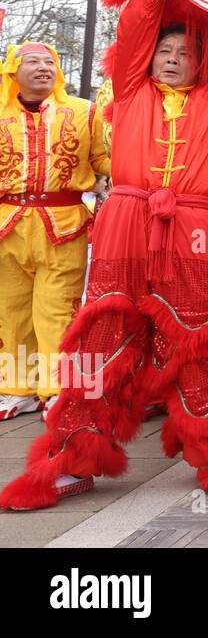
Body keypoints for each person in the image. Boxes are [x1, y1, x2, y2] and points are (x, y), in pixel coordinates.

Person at [1, 0, 208, 509]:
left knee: (199, 335)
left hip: (198, 222)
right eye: (166, 51)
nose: (173, 60)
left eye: (186, 54)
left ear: (204, 63)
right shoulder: (131, 88)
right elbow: (135, 29)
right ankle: (73, 459)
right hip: (126, 215)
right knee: (103, 335)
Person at [0, 43, 108, 421]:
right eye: (33, 62)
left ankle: (58, 389)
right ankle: (17, 388)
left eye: (50, 62)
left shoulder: (84, 111)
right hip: (7, 224)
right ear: (13, 71)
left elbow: (103, 159)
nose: (43, 68)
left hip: (63, 222)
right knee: (10, 312)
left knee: (57, 309)